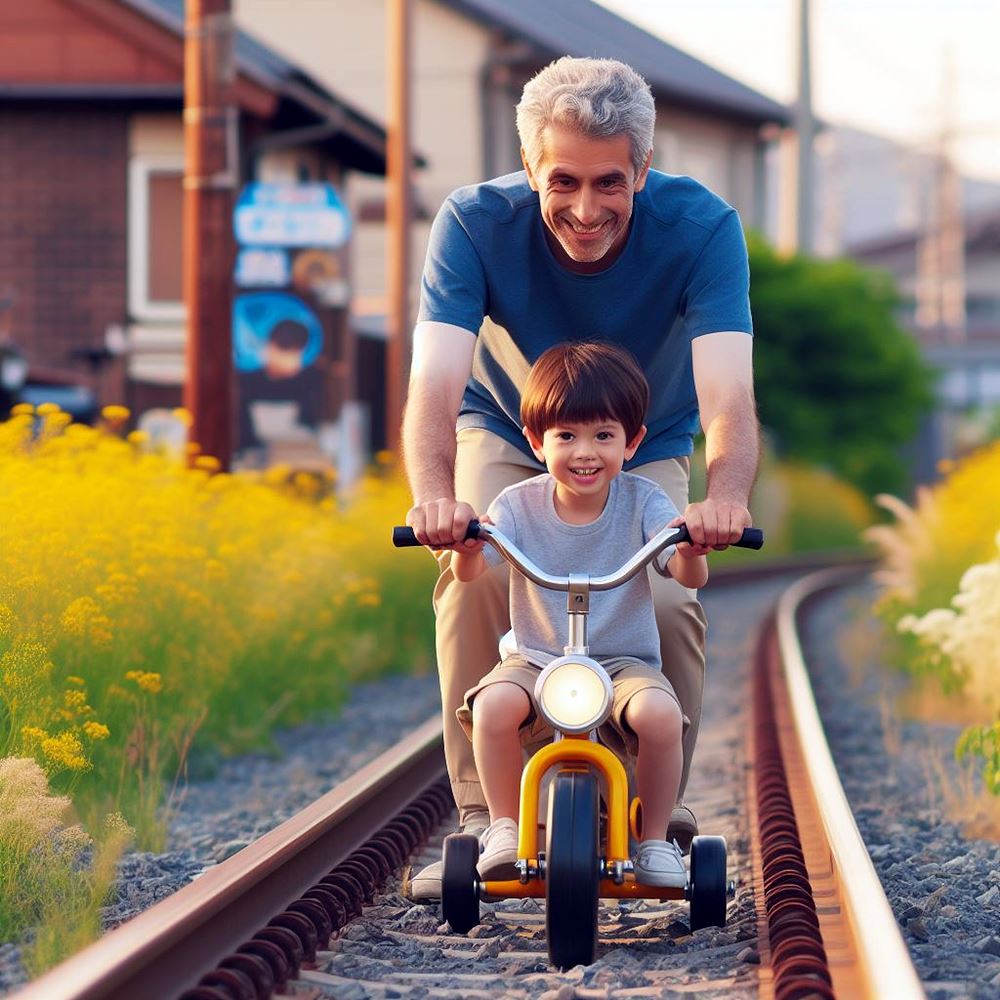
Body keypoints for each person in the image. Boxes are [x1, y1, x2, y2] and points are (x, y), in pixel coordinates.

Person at [403, 56, 758, 899]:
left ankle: (655, 821)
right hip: (509, 428)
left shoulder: (702, 227)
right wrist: (434, 495)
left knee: (669, 595)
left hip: (646, 436)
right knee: (474, 580)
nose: (586, 209)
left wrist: (727, 497)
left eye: (611, 182)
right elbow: (433, 387)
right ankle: (484, 818)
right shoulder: (474, 222)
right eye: (562, 181)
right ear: (530, 171)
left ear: (642, 169)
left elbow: (730, 397)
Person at [454, 342, 709, 885]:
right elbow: (472, 575)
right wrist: (468, 546)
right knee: (494, 705)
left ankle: (657, 840)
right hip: (535, 657)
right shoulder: (517, 505)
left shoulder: (644, 503)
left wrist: (690, 548)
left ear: (633, 442)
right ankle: (502, 824)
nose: (585, 452)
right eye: (566, 435)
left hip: (622, 662)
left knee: (660, 717)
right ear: (535, 441)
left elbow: (682, 574)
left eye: (603, 435)